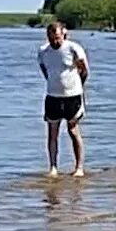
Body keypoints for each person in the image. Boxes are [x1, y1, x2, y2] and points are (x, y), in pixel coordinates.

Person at [36, 21, 89, 177]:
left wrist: (78, 88)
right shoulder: (43, 51)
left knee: (73, 131)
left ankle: (79, 167)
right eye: (52, 38)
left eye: (58, 38)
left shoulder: (73, 49)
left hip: (72, 96)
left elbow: (84, 71)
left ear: (63, 35)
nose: (55, 42)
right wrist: (54, 83)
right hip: (53, 96)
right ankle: (53, 167)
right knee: (52, 133)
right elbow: (45, 70)